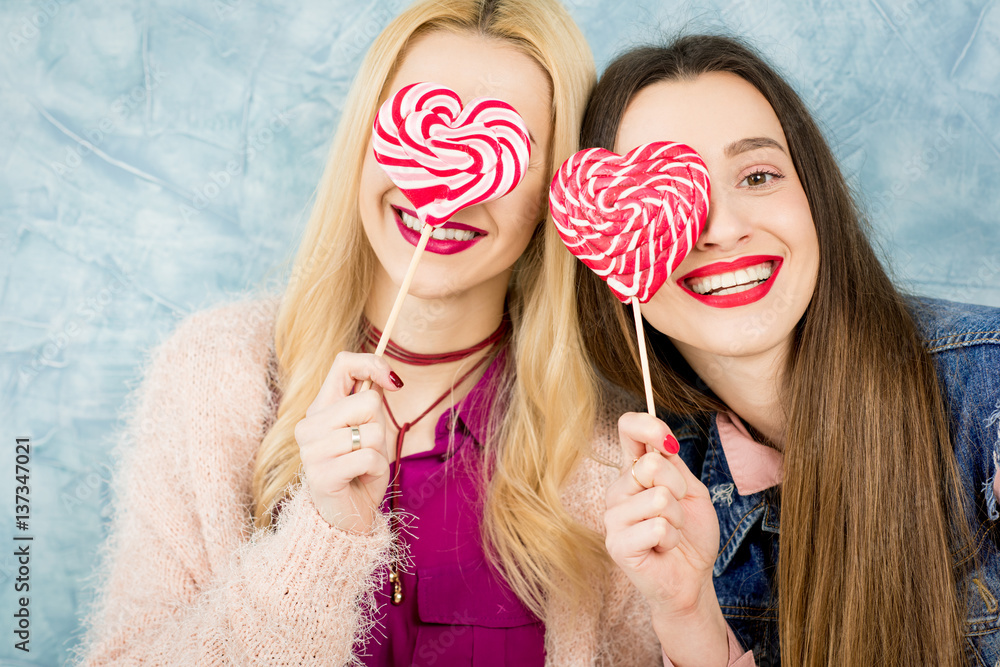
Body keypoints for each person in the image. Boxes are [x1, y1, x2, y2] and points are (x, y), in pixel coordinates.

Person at [77, 1, 663, 665]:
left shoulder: (605, 454)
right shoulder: (213, 375)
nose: (448, 181)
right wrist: (318, 539)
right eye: (430, 123)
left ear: (554, 188)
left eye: (502, 144)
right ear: (366, 139)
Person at [579, 35, 1000, 666]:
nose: (720, 228)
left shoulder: (984, 393)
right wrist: (687, 611)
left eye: (757, 176)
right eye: (663, 197)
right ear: (605, 245)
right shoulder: (653, 489)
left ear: (815, 198)